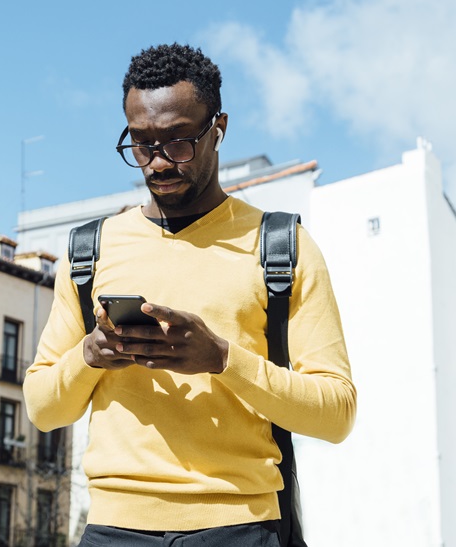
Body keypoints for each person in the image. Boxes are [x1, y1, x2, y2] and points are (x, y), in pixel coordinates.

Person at [23, 43, 356, 546]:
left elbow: (336, 414)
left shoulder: (281, 246)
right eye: (141, 144)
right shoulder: (89, 250)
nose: (157, 163)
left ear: (218, 129)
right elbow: (43, 409)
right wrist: (89, 354)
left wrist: (222, 358)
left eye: (178, 142)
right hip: (113, 529)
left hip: (241, 527)